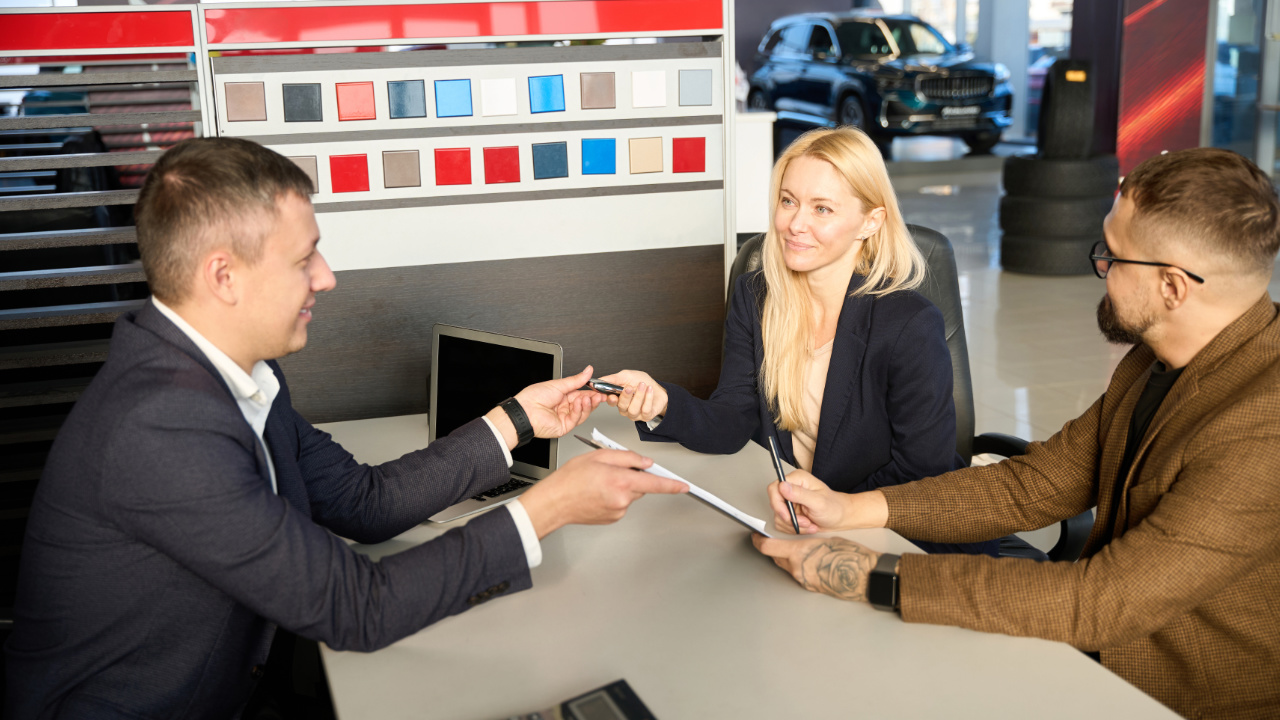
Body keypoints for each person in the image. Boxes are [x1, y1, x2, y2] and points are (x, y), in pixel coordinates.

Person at [4, 137, 688, 719]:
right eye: (306, 258)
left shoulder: (233, 375)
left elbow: (363, 502)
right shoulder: (160, 426)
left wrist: (517, 419)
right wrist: (549, 508)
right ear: (224, 277)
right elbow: (357, 607)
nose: (326, 278)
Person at [753, 147, 1280, 720]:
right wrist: (853, 510)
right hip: (1093, 654)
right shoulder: (1155, 360)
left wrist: (871, 575)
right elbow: (1034, 485)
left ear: (1174, 288)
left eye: (1113, 257)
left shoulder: (1262, 431)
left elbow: (1105, 600)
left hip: (1177, 695)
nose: (1099, 270)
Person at [600, 127, 996, 555]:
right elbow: (734, 419)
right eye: (788, 201)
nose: (795, 223)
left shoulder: (908, 324)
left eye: (822, 209)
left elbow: (924, 472)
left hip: (890, 534)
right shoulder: (758, 297)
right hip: (795, 523)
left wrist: (835, 512)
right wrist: (663, 404)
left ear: (870, 221)